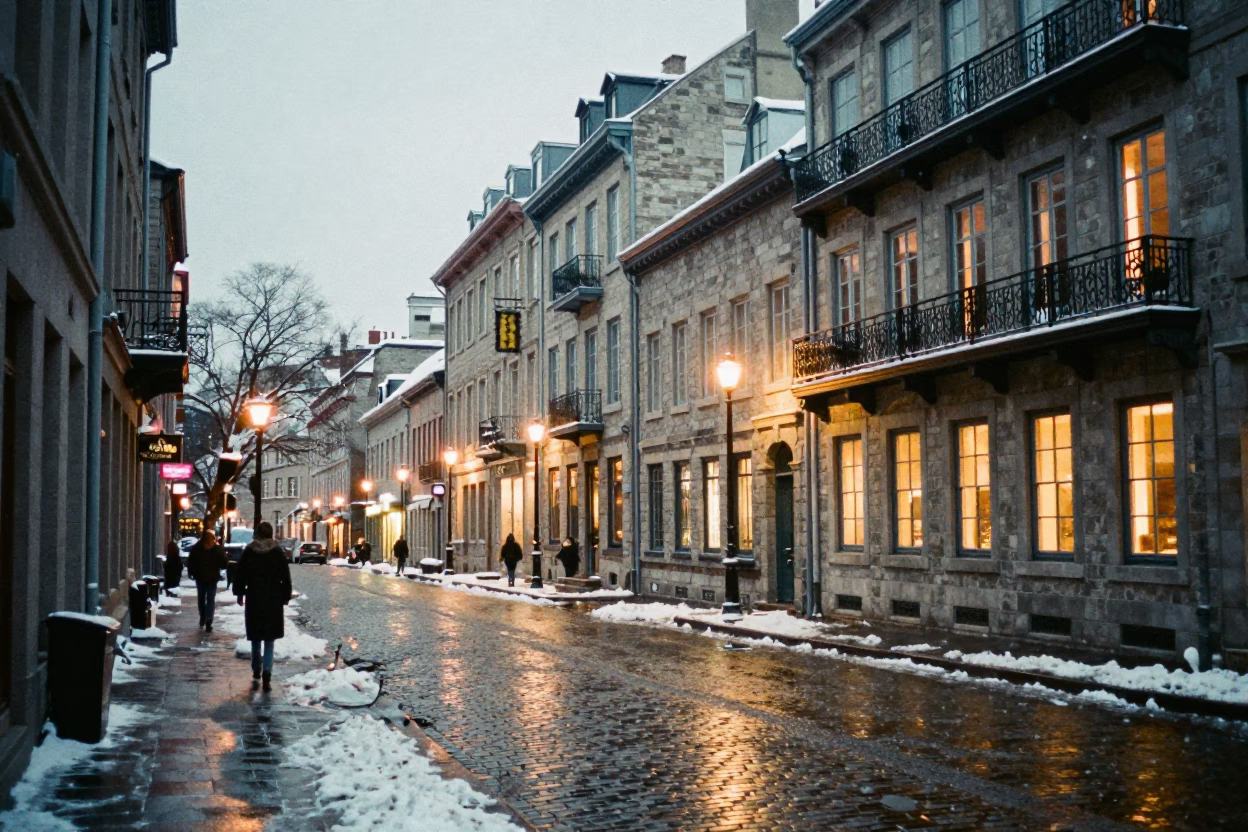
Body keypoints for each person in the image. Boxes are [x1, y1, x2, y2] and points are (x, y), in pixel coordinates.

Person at [233, 522, 292, 692]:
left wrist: (239, 592)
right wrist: (285, 595)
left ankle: (256, 668)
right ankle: (267, 672)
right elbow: (285, 576)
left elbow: (241, 573)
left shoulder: (250, 552)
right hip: (272, 599)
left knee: (256, 636)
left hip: (255, 598)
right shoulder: (277, 552)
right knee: (269, 639)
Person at [187, 529, 228, 631]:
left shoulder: (197, 548)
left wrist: (191, 573)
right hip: (212, 578)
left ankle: (203, 617)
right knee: (210, 598)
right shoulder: (217, 549)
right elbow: (223, 563)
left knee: (201, 598)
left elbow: (191, 561)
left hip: (200, 577)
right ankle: (209, 619)